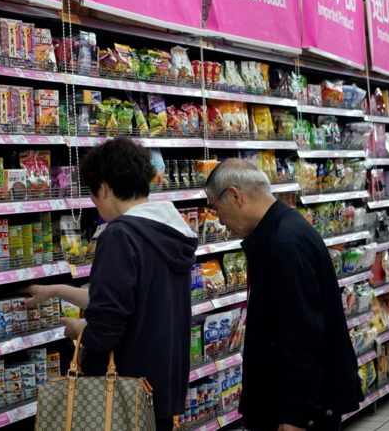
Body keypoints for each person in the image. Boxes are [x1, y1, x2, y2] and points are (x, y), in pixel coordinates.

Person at [22, 137, 197, 431]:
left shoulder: (120, 235)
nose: (97, 206)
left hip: (121, 399)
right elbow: (132, 300)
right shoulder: (169, 231)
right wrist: (56, 291)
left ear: (103, 187)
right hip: (157, 390)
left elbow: (105, 333)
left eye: (93, 196)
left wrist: (78, 330)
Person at [204, 158, 363, 431]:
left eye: (216, 209)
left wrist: (295, 416)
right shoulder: (283, 231)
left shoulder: (283, 245)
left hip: (296, 414)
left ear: (235, 196)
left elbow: (302, 336)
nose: (220, 221)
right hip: (294, 405)